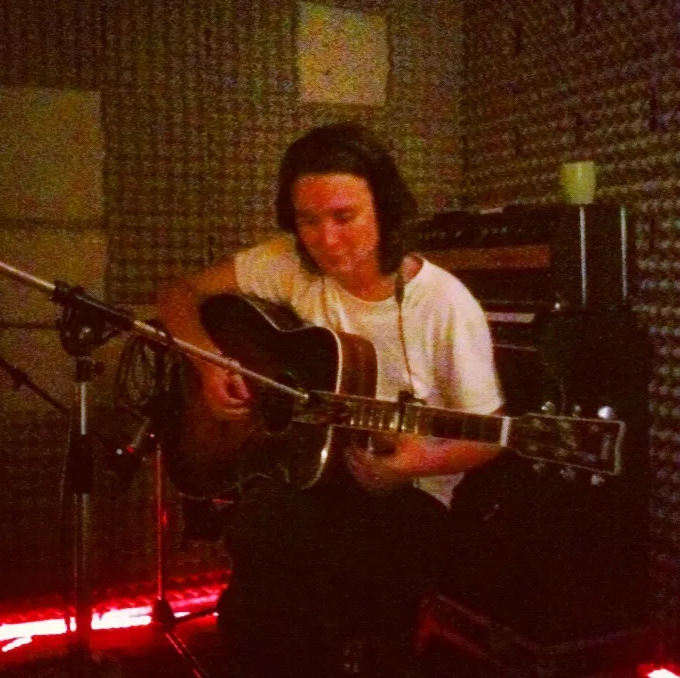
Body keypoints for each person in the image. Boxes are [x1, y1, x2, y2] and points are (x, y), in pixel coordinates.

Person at [157, 123, 505, 677]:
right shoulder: (290, 263)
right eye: (308, 220)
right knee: (253, 584)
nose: (326, 238)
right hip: (308, 472)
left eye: (345, 217)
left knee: (337, 590)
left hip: (407, 490)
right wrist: (209, 365)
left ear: (385, 209)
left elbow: (490, 436)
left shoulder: (443, 304)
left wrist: (415, 463)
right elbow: (177, 294)